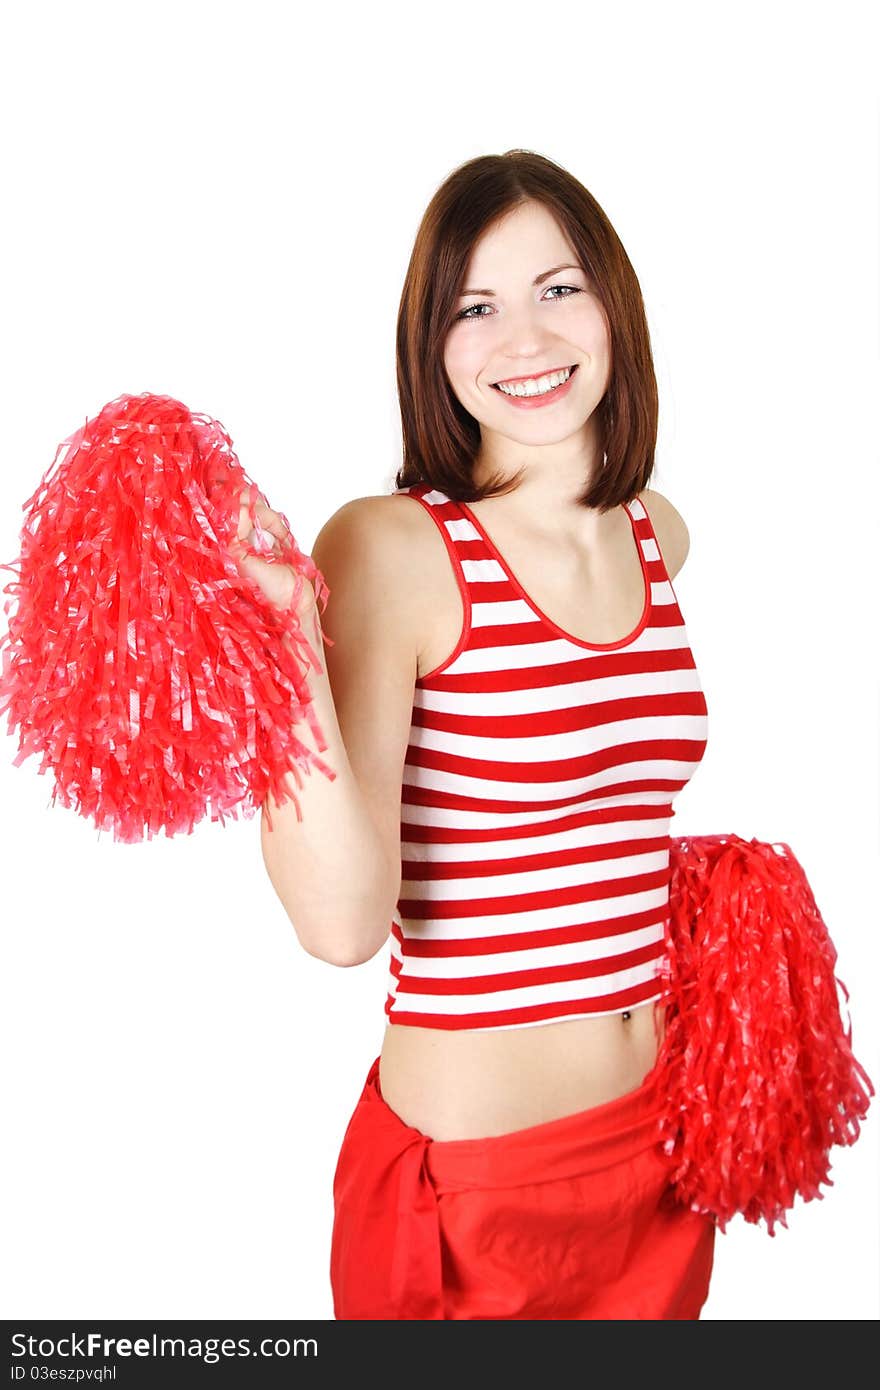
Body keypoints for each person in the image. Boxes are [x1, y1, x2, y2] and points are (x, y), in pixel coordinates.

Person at [247, 149, 718, 1319]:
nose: (525, 337)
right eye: (475, 306)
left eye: (558, 288)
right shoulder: (394, 548)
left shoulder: (658, 533)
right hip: (477, 1193)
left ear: (613, 302)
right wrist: (287, 647)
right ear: (431, 345)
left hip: (659, 1157)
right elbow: (343, 924)